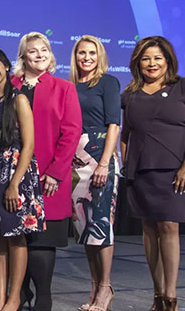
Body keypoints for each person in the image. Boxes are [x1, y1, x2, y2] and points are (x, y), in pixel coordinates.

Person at [10, 32, 81, 311]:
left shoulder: (64, 88)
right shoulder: (9, 85)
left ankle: (44, 299)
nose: (39, 55)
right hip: (14, 175)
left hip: (48, 176)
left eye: (44, 50)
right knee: (17, 237)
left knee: (41, 240)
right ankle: (21, 294)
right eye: (32, 51)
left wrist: (55, 172)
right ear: (23, 57)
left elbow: (71, 132)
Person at [120, 36, 185, 311]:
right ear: (138, 62)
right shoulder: (130, 93)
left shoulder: (181, 87)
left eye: (158, 58)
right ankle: (157, 294)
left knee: (168, 226)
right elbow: (126, 133)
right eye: (146, 58)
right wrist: (125, 164)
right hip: (141, 170)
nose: (152, 63)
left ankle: (171, 296)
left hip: (173, 169)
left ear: (168, 60)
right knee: (149, 229)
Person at [0, 48, 45, 311]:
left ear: (6, 66)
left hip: (16, 172)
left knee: (16, 236)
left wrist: (15, 183)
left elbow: (28, 145)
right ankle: (0, 297)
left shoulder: (18, 100)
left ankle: (15, 297)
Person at [68, 35, 120, 311]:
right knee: (84, 229)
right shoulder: (70, 87)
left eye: (91, 52)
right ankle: (94, 286)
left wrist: (103, 162)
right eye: (81, 53)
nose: (86, 57)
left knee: (101, 225)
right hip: (75, 162)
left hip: (99, 159)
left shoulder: (108, 83)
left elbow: (114, 124)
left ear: (99, 56)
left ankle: (105, 287)